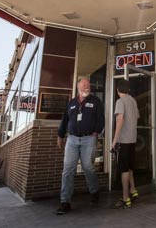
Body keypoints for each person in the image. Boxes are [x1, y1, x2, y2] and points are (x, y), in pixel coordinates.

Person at [56, 78, 105, 215]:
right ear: (78, 86)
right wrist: (60, 135)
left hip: (89, 138)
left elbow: (101, 119)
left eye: (88, 85)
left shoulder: (95, 101)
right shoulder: (71, 103)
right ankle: (65, 201)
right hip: (71, 139)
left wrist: (96, 132)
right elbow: (65, 120)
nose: (87, 87)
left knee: (88, 167)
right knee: (68, 169)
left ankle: (94, 191)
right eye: (84, 85)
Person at [111, 79, 140, 209]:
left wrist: (114, 140)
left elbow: (120, 119)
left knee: (123, 170)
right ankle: (133, 191)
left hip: (123, 140)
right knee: (129, 168)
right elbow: (137, 117)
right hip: (132, 139)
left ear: (118, 90)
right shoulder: (133, 100)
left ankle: (125, 198)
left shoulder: (120, 101)